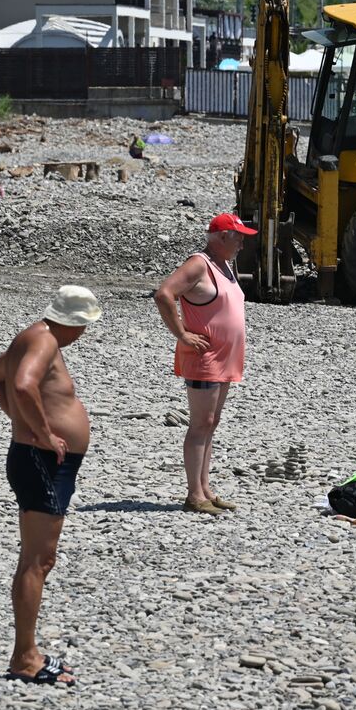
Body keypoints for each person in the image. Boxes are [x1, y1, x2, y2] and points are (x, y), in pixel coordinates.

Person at [0, 285, 103, 686]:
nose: (84, 333)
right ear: (73, 321)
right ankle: (25, 658)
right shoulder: (45, 341)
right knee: (38, 561)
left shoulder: (32, 335)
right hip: (43, 463)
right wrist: (43, 433)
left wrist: (21, 423)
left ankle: (26, 652)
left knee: (35, 560)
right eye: (84, 325)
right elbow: (20, 385)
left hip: (39, 460)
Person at [154, 213, 256, 515]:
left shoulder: (225, 265)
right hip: (205, 357)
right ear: (221, 236)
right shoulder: (199, 263)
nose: (241, 242)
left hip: (224, 357)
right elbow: (164, 294)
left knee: (211, 423)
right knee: (201, 424)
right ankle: (194, 494)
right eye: (237, 236)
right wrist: (182, 334)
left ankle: (205, 489)